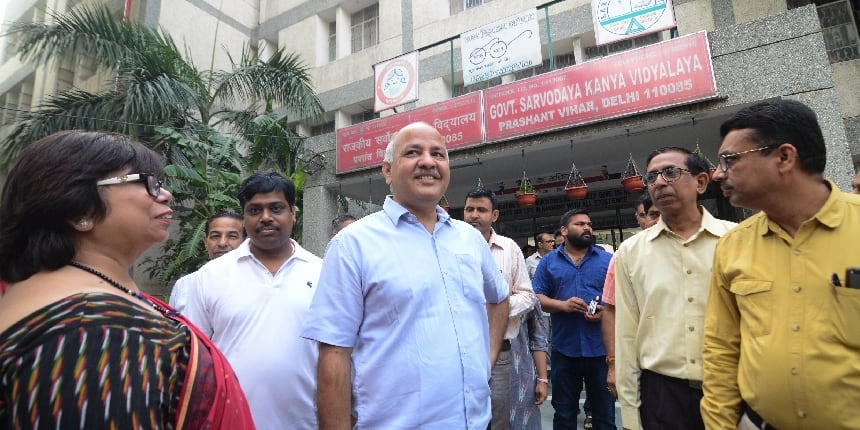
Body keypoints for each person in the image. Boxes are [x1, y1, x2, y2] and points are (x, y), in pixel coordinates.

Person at [0, 130, 254, 428]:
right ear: (81, 208)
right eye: (147, 182)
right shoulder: (98, 331)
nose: (165, 194)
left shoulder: (75, 303)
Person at [300, 122, 510, 429]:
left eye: (438, 154)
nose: (428, 161)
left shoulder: (470, 239)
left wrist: (486, 358)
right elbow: (333, 352)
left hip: (476, 421)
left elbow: (500, 297)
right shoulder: (352, 245)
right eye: (413, 152)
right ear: (387, 171)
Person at [702, 99, 860, 429]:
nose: (719, 173)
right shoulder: (733, 245)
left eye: (730, 159)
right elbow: (721, 350)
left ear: (784, 157)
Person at [183, 171, 322, 429]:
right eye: (255, 210)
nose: (266, 217)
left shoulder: (323, 272)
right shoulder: (211, 276)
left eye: (276, 208)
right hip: (229, 420)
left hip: (306, 422)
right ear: (245, 217)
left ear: (293, 212)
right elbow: (195, 359)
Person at [613, 148, 736, 430]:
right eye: (652, 176)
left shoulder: (735, 239)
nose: (659, 182)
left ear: (701, 182)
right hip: (661, 395)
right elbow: (627, 333)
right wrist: (631, 415)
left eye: (671, 172)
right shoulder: (631, 252)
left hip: (729, 387)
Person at [463, 186, 547, 429]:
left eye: (481, 210)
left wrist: (495, 309)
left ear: (495, 216)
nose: (474, 215)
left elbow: (528, 296)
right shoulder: (451, 247)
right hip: (462, 352)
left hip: (500, 354)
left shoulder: (509, 248)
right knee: (464, 417)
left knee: (500, 419)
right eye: (469, 209)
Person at [533, 209, 614, 430]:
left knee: (605, 416)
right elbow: (536, 296)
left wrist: (604, 311)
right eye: (579, 224)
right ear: (564, 230)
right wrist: (562, 305)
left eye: (589, 224)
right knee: (564, 414)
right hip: (564, 350)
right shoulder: (548, 262)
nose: (587, 227)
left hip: (601, 350)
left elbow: (622, 298)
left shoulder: (607, 260)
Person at [601, 194, 659, 400]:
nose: (651, 221)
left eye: (656, 214)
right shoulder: (625, 254)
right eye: (645, 215)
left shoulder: (720, 239)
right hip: (643, 362)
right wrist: (614, 364)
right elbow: (610, 310)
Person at [169, 210, 245, 311]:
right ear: (205, 241)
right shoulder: (184, 286)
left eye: (232, 236)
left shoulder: (257, 284)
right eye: (215, 236)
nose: (222, 243)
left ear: (245, 241)